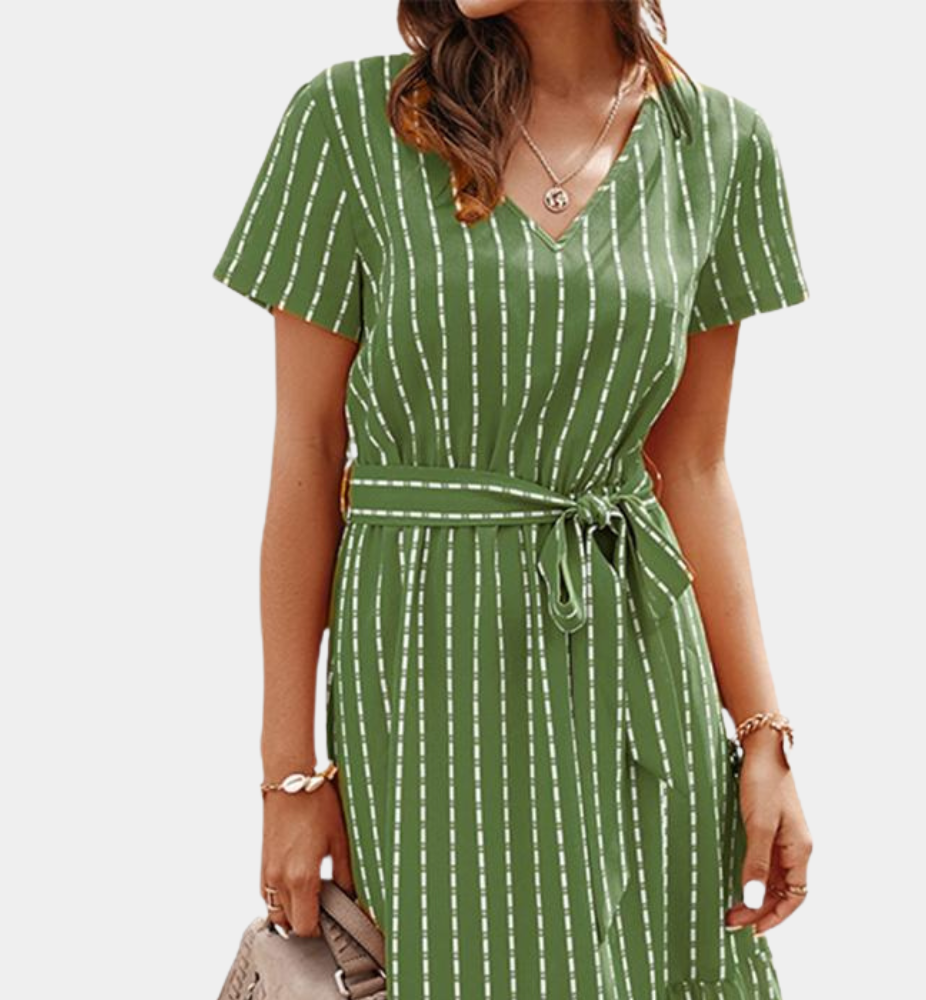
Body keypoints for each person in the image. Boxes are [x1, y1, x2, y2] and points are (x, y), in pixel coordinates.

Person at [211, 2, 814, 997]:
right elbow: (308, 452)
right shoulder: (348, 122)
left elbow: (694, 467)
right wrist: (290, 776)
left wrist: (762, 736)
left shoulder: (717, 144)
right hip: (424, 680)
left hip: (638, 681)